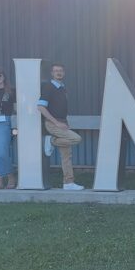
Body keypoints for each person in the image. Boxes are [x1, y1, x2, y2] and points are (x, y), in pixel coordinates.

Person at [37, 62, 83, 191]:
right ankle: (51, 141)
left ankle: (68, 183)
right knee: (76, 138)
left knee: (66, 156)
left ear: (64, 73)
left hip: (63, 122)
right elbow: (40, 107)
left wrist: (63, 123)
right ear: (52, 73)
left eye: (61, 70)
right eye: (56, 70)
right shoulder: (49, 86)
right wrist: (56, 123)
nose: (59, 72)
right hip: (54, 123)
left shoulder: (62, 87)